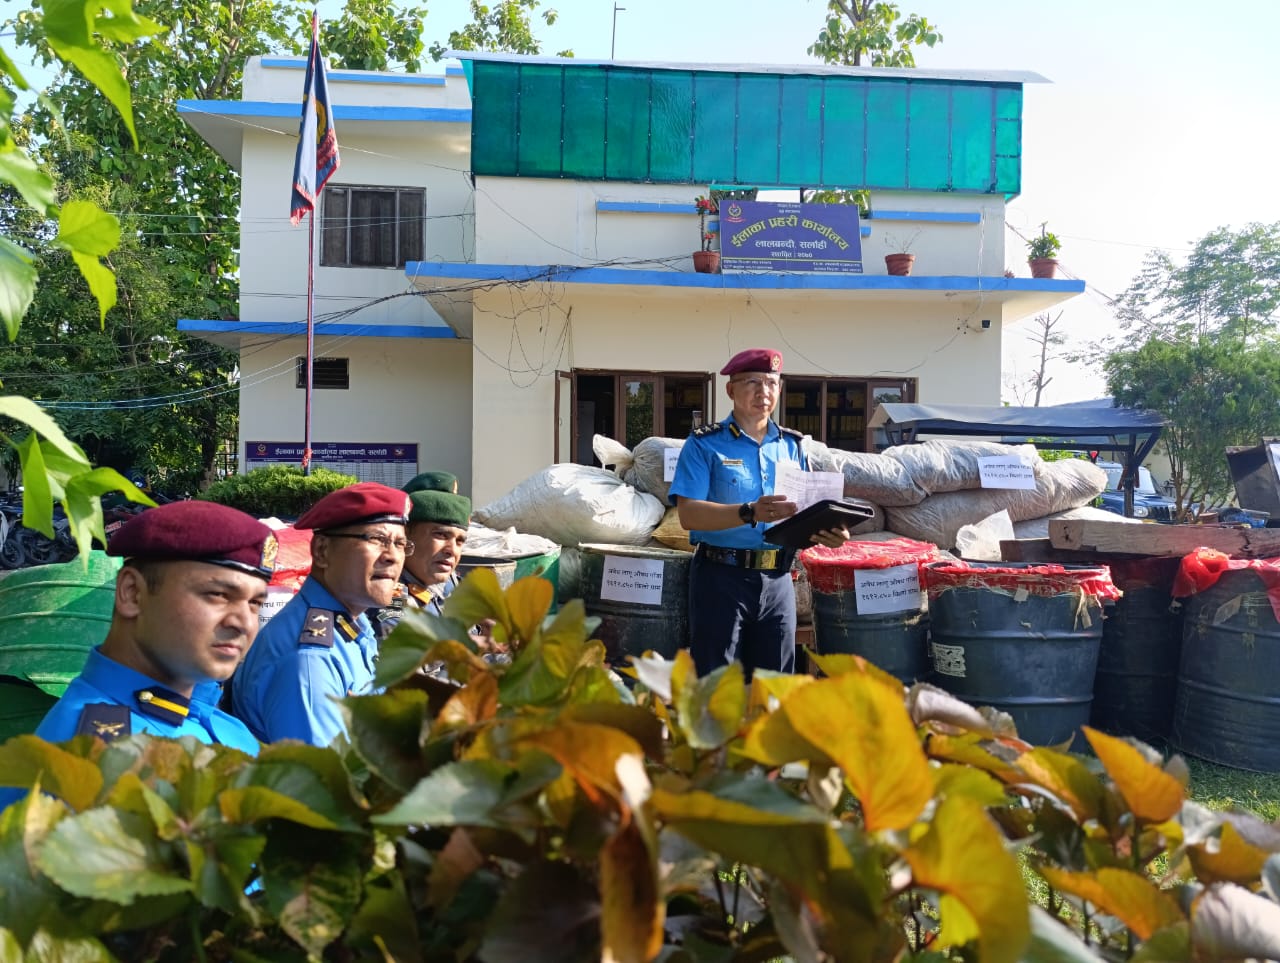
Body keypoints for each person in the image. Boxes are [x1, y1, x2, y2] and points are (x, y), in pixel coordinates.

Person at [6, 501, 273, 759]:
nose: (244, 623)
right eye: (218, 594)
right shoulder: (100, 759)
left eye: (254, 603)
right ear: (132, 594)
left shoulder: (208, 717)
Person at [668, 347, 850, 678]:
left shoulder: (792, 446)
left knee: (776, 687)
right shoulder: (704, 444)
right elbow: (688, 515)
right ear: (730, 390)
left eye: (771, 383)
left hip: (779, 581)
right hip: (720, 578)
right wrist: (748, 511)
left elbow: (799, 514)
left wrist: (825, 532)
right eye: (752, 382)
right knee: (718, 689)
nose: (763, 392)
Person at [231, 482, 410, 746]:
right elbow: (326, 780)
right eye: (377, 539)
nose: (393, 556)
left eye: (401, 543)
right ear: (322, 551)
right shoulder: (311, 660)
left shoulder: (352, 622)